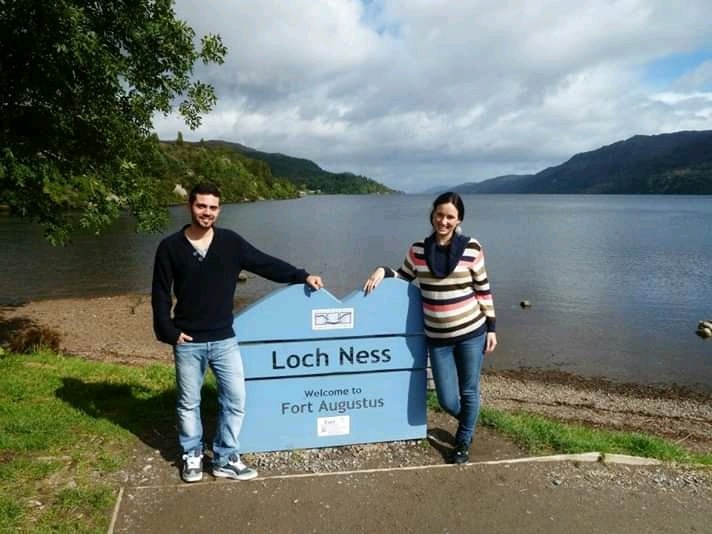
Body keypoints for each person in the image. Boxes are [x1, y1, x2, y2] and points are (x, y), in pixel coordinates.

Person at [152, 182, 324, 483]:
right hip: (188, 341)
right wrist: (167, 330)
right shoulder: (170, 247)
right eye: (201, 206)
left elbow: (264, 263)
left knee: (235, 400)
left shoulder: (230, 242)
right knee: (188, 403)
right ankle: (192, 455)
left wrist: (301, 275)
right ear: (189, 206)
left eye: (213, 207)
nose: (207, 212)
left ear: (219, 210)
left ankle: (224, 458)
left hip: (224, 339)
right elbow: (160, 294)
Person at [363, 192, 496, 464]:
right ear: (432, 215)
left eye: (450, 217)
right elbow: (403, 276)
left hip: (472, 332)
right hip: (437, 338)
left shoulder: (472, 248)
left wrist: (491, 327)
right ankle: (469, 421)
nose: (443, 221)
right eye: (439, 215)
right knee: (447, 399)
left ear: (459, 220)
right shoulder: (418, 251)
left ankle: (463, 441)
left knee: (469, 390)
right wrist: (382, 270)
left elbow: (483, 289)